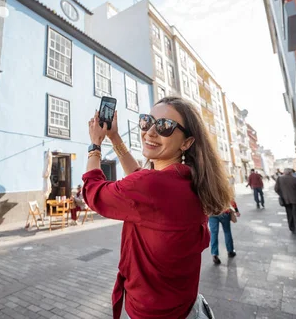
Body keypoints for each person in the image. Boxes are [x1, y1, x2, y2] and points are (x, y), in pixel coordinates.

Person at [83, 96, 232, 319]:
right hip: (187, 307)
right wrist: (114, 138)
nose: (151, 132)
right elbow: (141, 181)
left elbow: (93, 192)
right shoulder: (190, 181)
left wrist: (95, 145)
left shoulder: (151, 186)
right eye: (147, 121)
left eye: (164, 126)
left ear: (187, 142)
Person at [275, 168, 296, 237]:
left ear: (284, 172)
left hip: (286, 200)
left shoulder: (279, 179)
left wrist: (282, 195)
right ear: (291, 173)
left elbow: (276, 189)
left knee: (289, 214)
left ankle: (292, 228)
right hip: (295, 200)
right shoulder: (295, 179)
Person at [209, 200, 240, 265]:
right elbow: (230, 198)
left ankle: (215, 254)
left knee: (213, 234)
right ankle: (230, 251)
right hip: (224, 212)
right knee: (227, 232)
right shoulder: (225, 189)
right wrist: (236, 210)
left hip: (212, 213)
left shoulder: (208, 189)